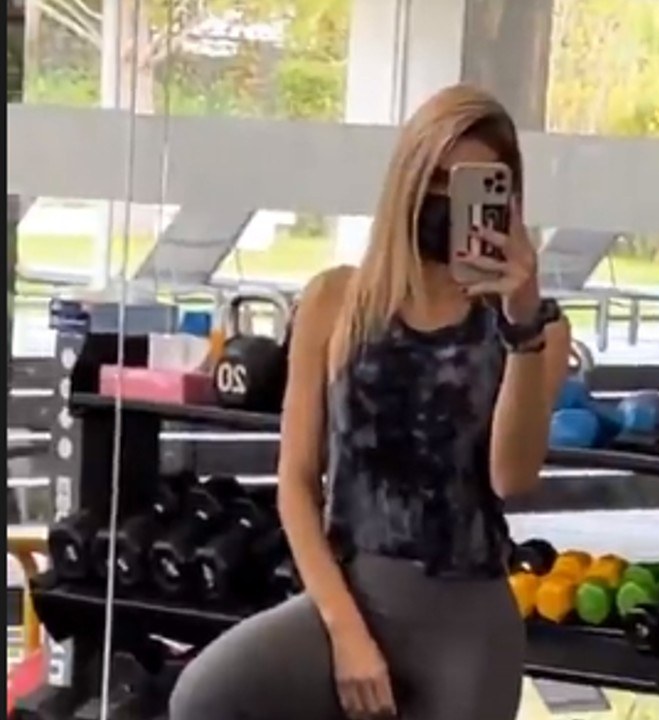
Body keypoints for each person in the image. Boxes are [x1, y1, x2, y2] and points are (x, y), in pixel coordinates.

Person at [169, 85, 572, 720]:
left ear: (505, 199)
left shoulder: (536, 329)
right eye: (434, 180)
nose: (447, 202)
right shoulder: (336, 302)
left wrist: (521, 324)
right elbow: (297, 482)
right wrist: (345, 631)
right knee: (207, 695)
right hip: (351, 594)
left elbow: (511, 478)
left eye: (472, 186)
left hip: (467, 622)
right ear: (406, 181)